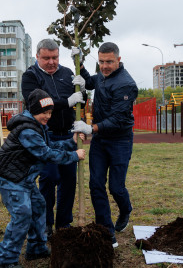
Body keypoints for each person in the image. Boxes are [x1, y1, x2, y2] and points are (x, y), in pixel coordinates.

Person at [0, 89, 86, 268]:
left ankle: (36, 248)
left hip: (23, 178)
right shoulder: (27, 130)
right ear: (34, 110)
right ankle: (6, 260)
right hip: (10, 179)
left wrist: (71, 141)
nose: (48, 116)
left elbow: (50, 145)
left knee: (38, 207)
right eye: (44, 112)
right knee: (22, 214)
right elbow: (46, 154)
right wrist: (74, 155)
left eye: (50, 112)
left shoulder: (38, 126)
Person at [21, 38, 90, 237]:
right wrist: (67, 101)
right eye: (46, 58)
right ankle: (46, 224)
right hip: (45, 137)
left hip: (69, 135)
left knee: (68, 182)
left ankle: (63, 225)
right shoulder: (30, 76)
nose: (51, 62)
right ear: (37, 57)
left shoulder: (67, 73)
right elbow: (38, 105)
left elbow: (81, 104)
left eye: (55, 57)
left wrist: (83, 91)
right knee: (49, 179)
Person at [72, 42, 138, 248]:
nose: (104, 66)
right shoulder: (102, 74)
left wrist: (91, 128)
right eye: (101, 62)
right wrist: (80, 65)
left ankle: (125, 209)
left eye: (109, 62)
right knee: (96, 184)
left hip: (120, 139)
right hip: (101, 141)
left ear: (119, 59)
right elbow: (92, 82)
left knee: (116, 187)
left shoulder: (126, 84)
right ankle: (106, 230)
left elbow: (118, 119)